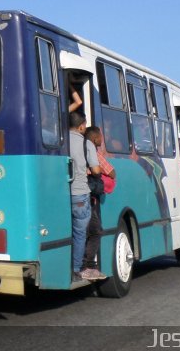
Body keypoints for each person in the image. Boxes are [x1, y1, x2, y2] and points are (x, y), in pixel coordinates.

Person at [69, 112, 105, 281]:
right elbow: (97, 171)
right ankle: (77, 269)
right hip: (80, 193)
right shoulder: (86, 143)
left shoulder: (59, 140)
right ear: (82, 126)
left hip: (61, 193)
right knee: (80, 232)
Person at [83, 127, 115, 277]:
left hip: (80, 195)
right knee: (96, 231)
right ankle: (88, 265)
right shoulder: (95, 153)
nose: (102, 139)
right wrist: (99, 171)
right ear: (95, 139)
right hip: (89, 197)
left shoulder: (77, 150)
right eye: (100, 136)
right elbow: (111, 172)